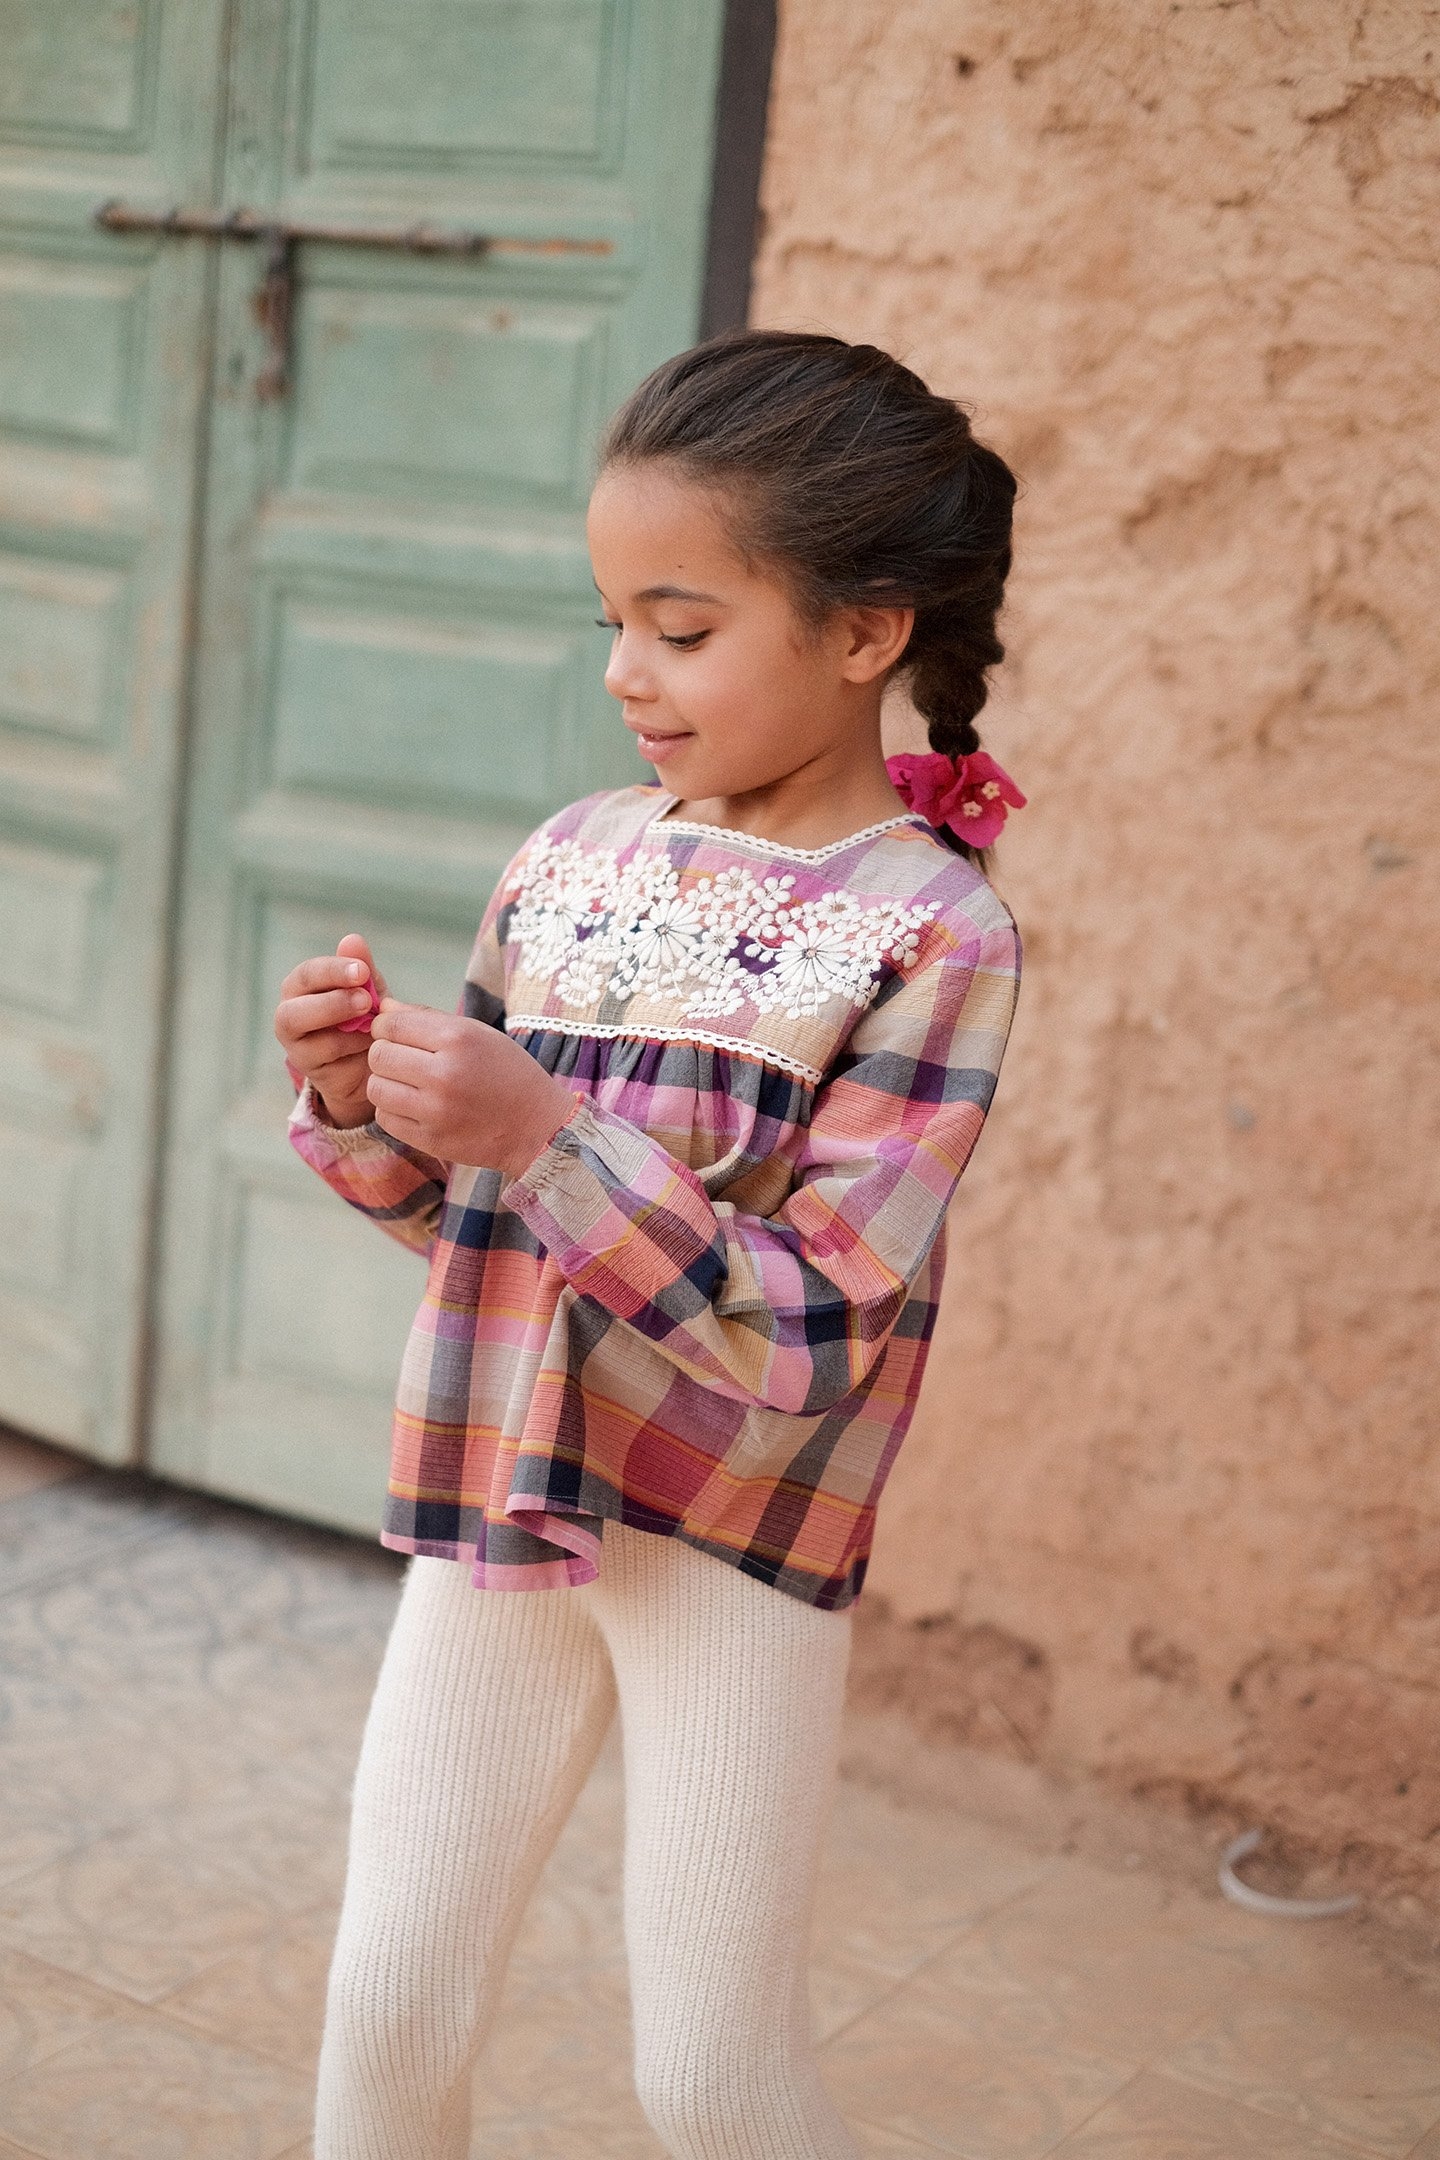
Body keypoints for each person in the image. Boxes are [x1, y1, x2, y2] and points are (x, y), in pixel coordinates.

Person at [273, 329, 1025, 2160]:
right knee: (386, 2001)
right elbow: (474, 1230)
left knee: (710, 2074)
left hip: (733, 1536)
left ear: (864, 634)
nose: (627, 673)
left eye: (681, 631)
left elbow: (811, 1333)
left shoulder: (935, 936)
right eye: (611, 621)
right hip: (501, 1497)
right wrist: (371, 1107)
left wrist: (545, 1131)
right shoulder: (569, 857)